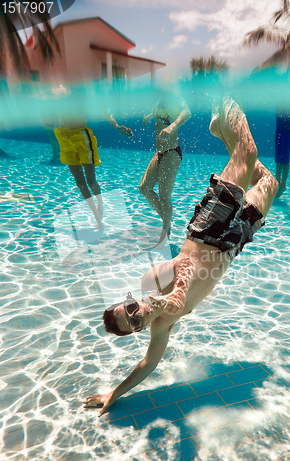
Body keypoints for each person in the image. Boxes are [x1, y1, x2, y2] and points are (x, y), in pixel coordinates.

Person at [83, 97, 278, 417]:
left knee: (249, 153)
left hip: (208, 230)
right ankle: (222, 132)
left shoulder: (151, 281)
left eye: (129, 308)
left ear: (129, 299)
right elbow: (147, 364)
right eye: (133, 322)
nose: (136, 314)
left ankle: (224, 98)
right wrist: (114, 393)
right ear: (138, 329)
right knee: (268, 182)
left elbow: (183, 264)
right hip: (231, 245)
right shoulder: (161, 326)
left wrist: (174, 295)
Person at [52, 84, 133, 230]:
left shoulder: (82, 93)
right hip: (63, 138)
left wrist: (117, 126)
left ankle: (99, 201)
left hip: (81, 137)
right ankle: (96, 217)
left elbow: (104, 110)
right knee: (80, 183)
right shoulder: (58, 91)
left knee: (90, 180)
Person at [139, 93, 191, 241]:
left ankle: (165, 233)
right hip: (160, 153)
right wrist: (149, 116)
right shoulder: (160, 97)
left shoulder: (175, 96)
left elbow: (187, 112)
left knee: (164, 196)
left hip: (171, 154)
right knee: (144, 188)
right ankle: (167, 222)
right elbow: (160, 113)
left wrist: (172, 126)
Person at [274, 105, 290, 198]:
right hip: (280, 125)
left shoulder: (285, 98)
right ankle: (278, 182)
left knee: (284, 156)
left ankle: (283, 185)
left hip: (288, 127)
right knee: (278, 155)